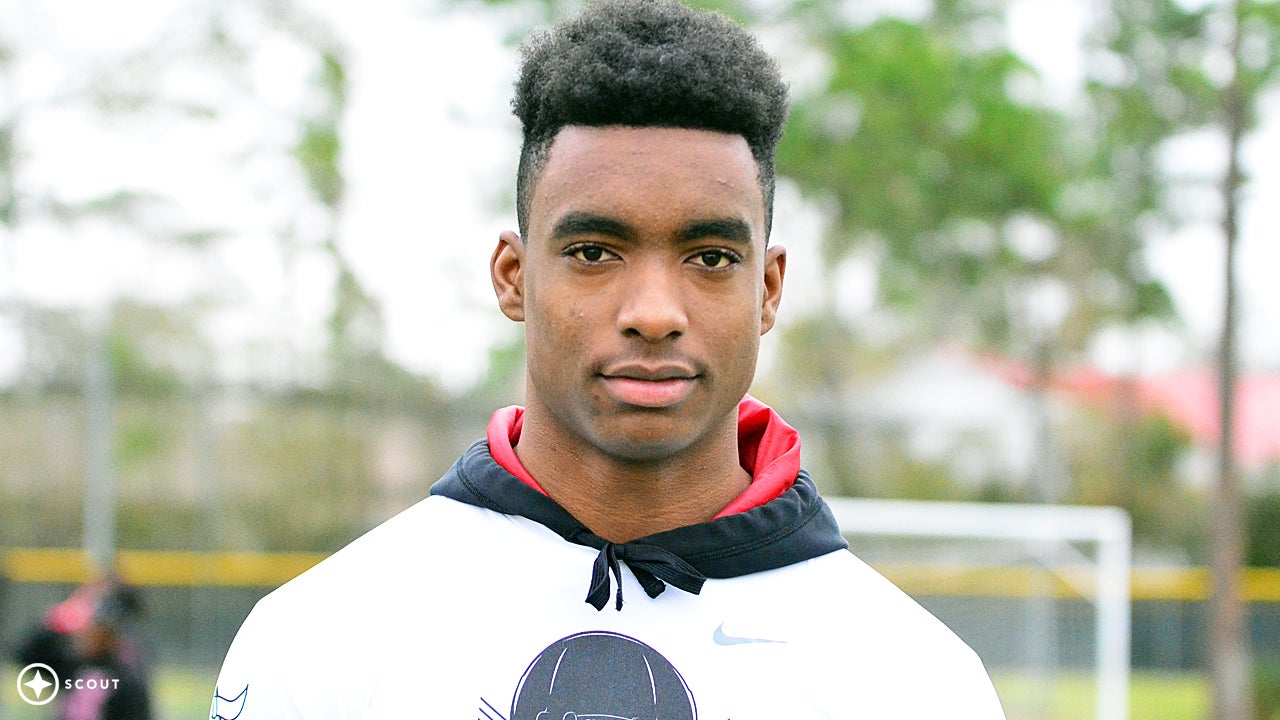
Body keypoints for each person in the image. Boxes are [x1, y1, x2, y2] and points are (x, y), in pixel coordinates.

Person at [212, 1, 1006, 717]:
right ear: (514, 277)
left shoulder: (915, 681)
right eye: (595, 251)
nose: (654, 313)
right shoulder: (321, 642)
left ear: (768, 290)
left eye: (710, 258)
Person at [16, 576, 153, 720]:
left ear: (110, 636)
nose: (83, 634)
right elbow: (26, 654)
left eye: (93, 629)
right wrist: (61, 617)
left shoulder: (127, 678)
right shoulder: (71, 664)